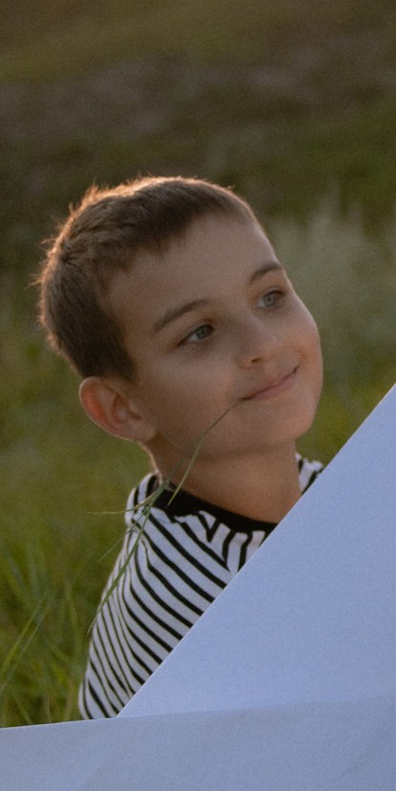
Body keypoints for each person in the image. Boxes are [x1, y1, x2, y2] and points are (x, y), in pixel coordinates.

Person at [36, 175, 325, 717]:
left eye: (270, 297)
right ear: (124, 409)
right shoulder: (192, 602)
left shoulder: (326, 490)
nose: (263, 345)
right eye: (200, 332)